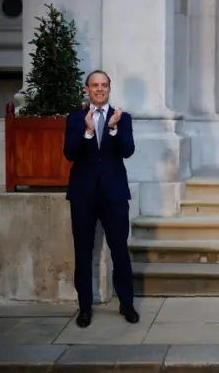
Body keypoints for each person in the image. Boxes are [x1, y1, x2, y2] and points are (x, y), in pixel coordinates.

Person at [63, 70, 139, 328]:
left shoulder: (122, 117)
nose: (99, 89)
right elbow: (69, 153)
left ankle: (127, 305)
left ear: (109, 88)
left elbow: (127, 151)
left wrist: (114, 128)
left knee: (120, 251)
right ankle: (84, 308)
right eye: (94, 85)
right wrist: (86, 132)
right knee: (83, 252)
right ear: (87, 89)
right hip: (83, 194)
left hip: (114, 194)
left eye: (103, 85)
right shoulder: (74, 119)